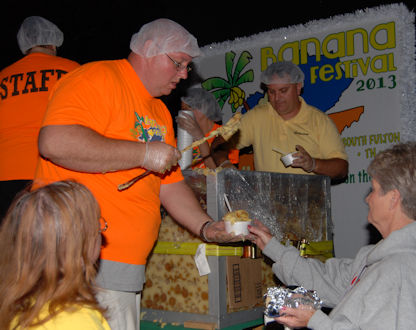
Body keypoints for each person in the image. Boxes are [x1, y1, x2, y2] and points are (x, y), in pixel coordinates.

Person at [34, 18, 242, 330]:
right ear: (148, 50)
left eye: (186, 66)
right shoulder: (96, 78)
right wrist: (143, 153)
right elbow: (54, 141)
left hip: (126, 269)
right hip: (80, 262)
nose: (184, 75)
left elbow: (169, 185)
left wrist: (206, 227)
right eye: (179, 64)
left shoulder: (158, 110)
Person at [248, 142, 416, 329]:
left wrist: (315, 320)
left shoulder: (407, 272)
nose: (368, 198)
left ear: (393, 198)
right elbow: (330, 281)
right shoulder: (382, 259)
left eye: (375, 190)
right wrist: (271, 246)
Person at [0, 180, 110, 329]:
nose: (101, 231)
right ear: (77, 249)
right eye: (97, 225)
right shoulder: (78, 321)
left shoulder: (18, 309)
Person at [0, 16, 80, 220]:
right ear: (53, 43)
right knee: (50, 247)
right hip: (53, 177)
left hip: (5, 177)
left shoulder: (3, 77)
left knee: (9, 247)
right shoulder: (73, 71)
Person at [227, 61, 348, 179]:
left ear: (298, 87)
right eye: (272, 92)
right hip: (267, 198)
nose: (277, 98)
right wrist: (226, 167)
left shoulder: (320, 121)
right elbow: (220, 142)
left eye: (283, 91)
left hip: (309, 198)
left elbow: (342, 169)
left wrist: (313, 164)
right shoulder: (256, 117)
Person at [177, 87, 239, 169]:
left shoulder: (225, 136)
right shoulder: (180, 139)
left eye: (188, 108)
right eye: (183, 110)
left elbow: (226, 177)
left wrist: (199, 137)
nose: (185, 114)